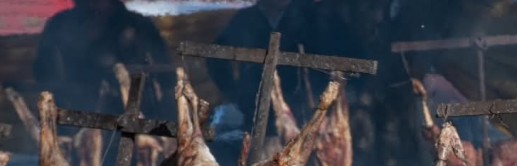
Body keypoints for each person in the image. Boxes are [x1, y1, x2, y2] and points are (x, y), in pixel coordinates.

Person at [207, 0, 364, 127]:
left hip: (309, 115)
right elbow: (216, 56)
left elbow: (356, 53)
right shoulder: (246, 19)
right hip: (259, 114)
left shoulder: (315, 15)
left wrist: (351, 92)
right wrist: (234, 93)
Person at [34, 0, 173, 117]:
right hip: (77, 115)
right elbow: (44, 74)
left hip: (137, 115)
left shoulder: (139, 25)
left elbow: (165, 75)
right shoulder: (60, 25)